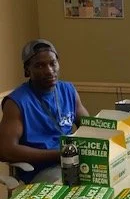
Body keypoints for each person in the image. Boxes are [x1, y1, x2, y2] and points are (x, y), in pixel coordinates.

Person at [0, 39, 89, 184]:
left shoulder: (68, 91)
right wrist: (58, 155)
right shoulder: (16, 102)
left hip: (72, 162)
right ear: (27, 70)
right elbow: (5, 150)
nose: (49, 70)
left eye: (52, 63)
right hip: (40, 171)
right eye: (40, 65)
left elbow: (89, 127)